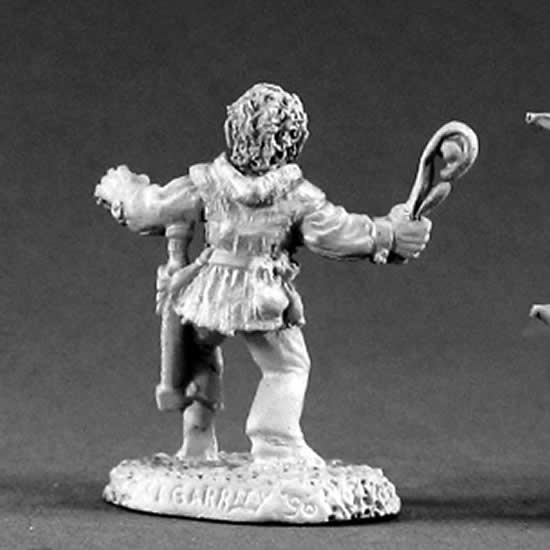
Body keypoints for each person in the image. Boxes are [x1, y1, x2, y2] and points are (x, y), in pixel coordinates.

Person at [95, 83, 431, 465]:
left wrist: (124, 193)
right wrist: (389, 234)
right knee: (287, 366)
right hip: (260, 295)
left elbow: (151, 208)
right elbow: (337, 233)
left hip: (206, 291)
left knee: (200, 353)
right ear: (293, 139)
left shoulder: (205, 183)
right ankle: (274, 441)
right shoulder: (297, 196)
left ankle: (197, 441)